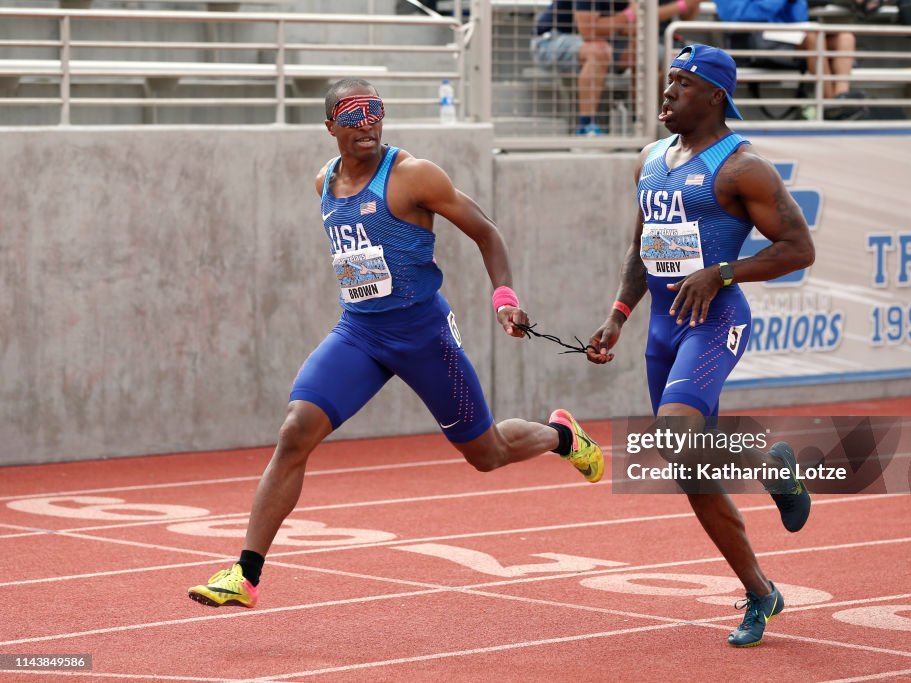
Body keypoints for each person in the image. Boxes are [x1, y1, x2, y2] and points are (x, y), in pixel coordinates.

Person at [188, 78, 604, 609]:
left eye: (375, 110)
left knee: (486, 454)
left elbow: (487, 232)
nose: (366, 121)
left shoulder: (412, 176)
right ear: (330, 125)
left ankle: (561, 436)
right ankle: (245, 575)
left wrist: (504, 296)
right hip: (360, 332)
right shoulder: (324, 182)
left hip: (423, 335)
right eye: (353, 112)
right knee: (295, 431)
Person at [585, 44, 813, 647]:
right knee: (689, 467)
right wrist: (618, 314)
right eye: (668, 81)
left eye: (682, 83)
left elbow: (798, 250)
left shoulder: (741, 168)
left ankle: (772, 469)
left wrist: (724, 272)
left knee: (677, 435)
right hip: (663, 325)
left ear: (715, 95)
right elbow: (643, 250)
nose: (667, 92)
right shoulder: (650, 158)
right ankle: (761, 593)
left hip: (714, 321)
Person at [531, 0, 700, 135]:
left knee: (645, 53)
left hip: (601, 39)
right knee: (598, 51)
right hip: (550, 40)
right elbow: (588, 30)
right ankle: (586, 128)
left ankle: (640, 127)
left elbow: (630, 29)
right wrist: (629, 14)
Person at [714, 0, 866, 119]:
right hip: (754, 40)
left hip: (794, 38)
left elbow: (799, 18)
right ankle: (830, 103)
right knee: (812, 36)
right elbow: (736, 17)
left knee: (845, 37)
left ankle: (841, 97)